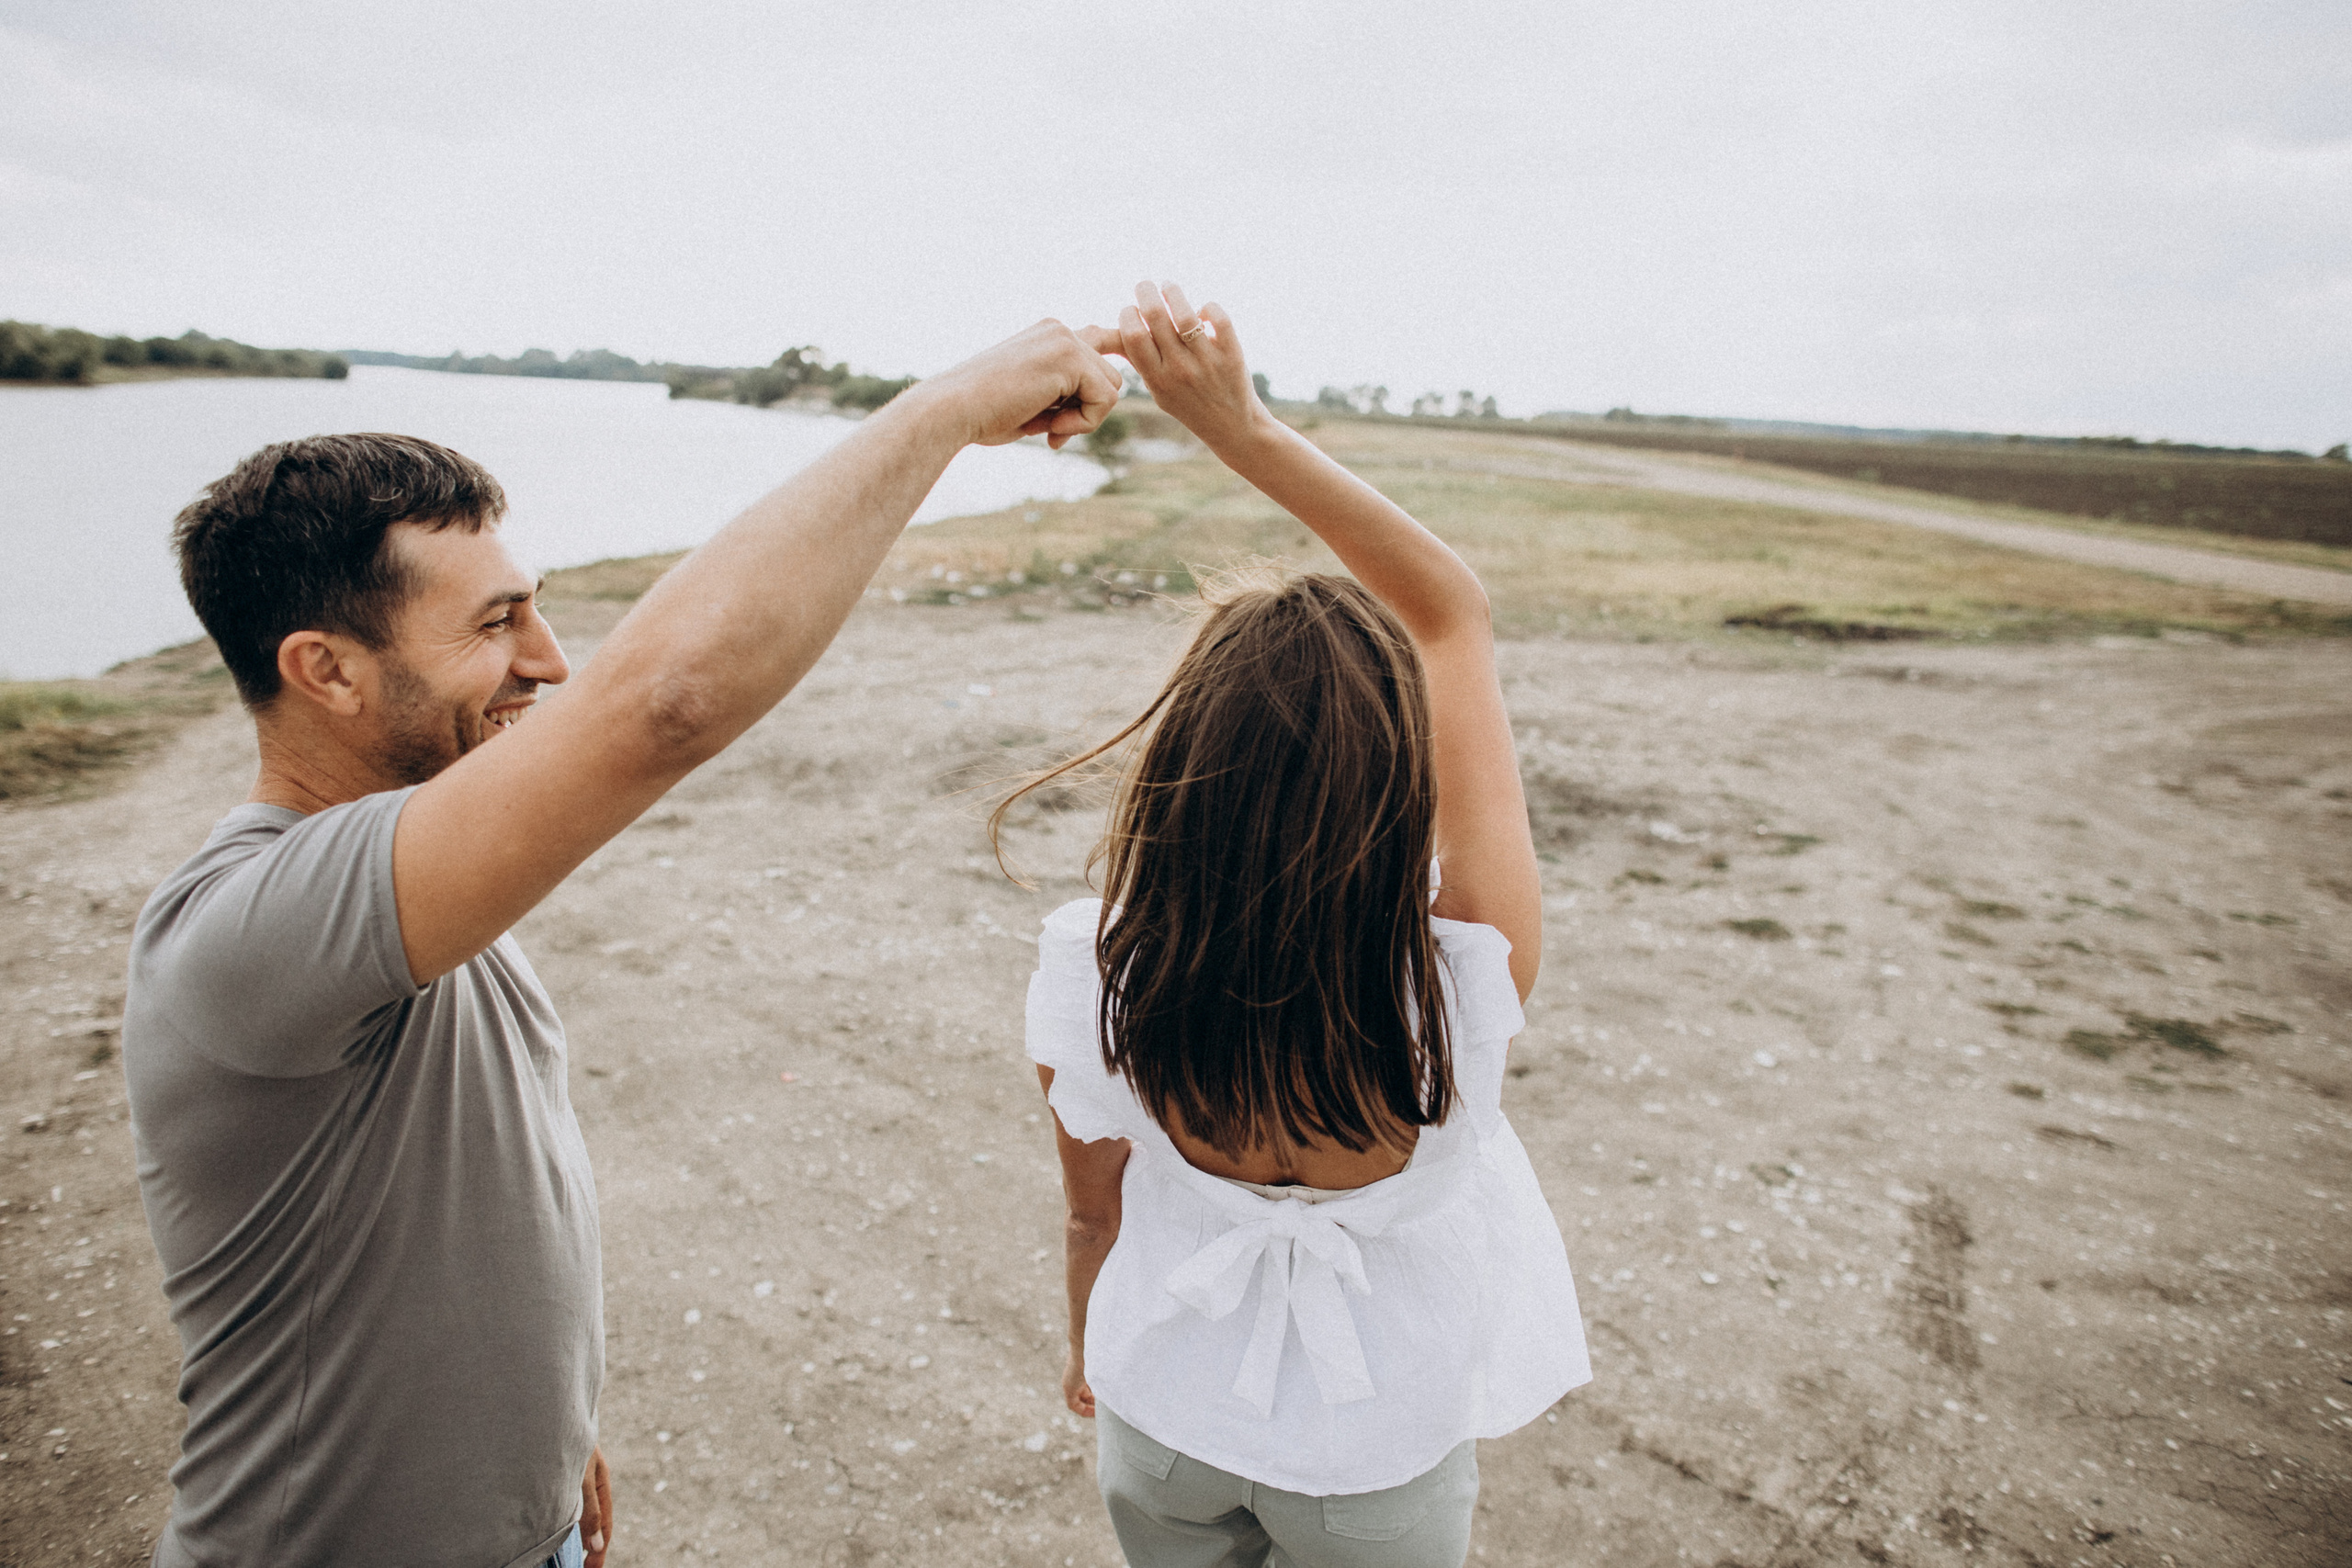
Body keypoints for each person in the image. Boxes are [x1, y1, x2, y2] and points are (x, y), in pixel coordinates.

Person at [122, 321, 1122, 1568]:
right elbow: (666, 705)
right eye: (496, 625)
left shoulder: (417, 886)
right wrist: (945, 411)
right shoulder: (256, 926)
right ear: (324, 670)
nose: (547, 661)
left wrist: (533, 1441)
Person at [1006, 283, 1589, 1568]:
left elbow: (1092, 1221)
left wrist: (1085, 1351)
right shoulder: (1464, 974)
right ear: (1398, 787)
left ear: (1181, 784)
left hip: (1163, 1418)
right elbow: (1449, 612)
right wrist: (1244, 428)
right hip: (1373, 1451)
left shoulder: (1095, 969)